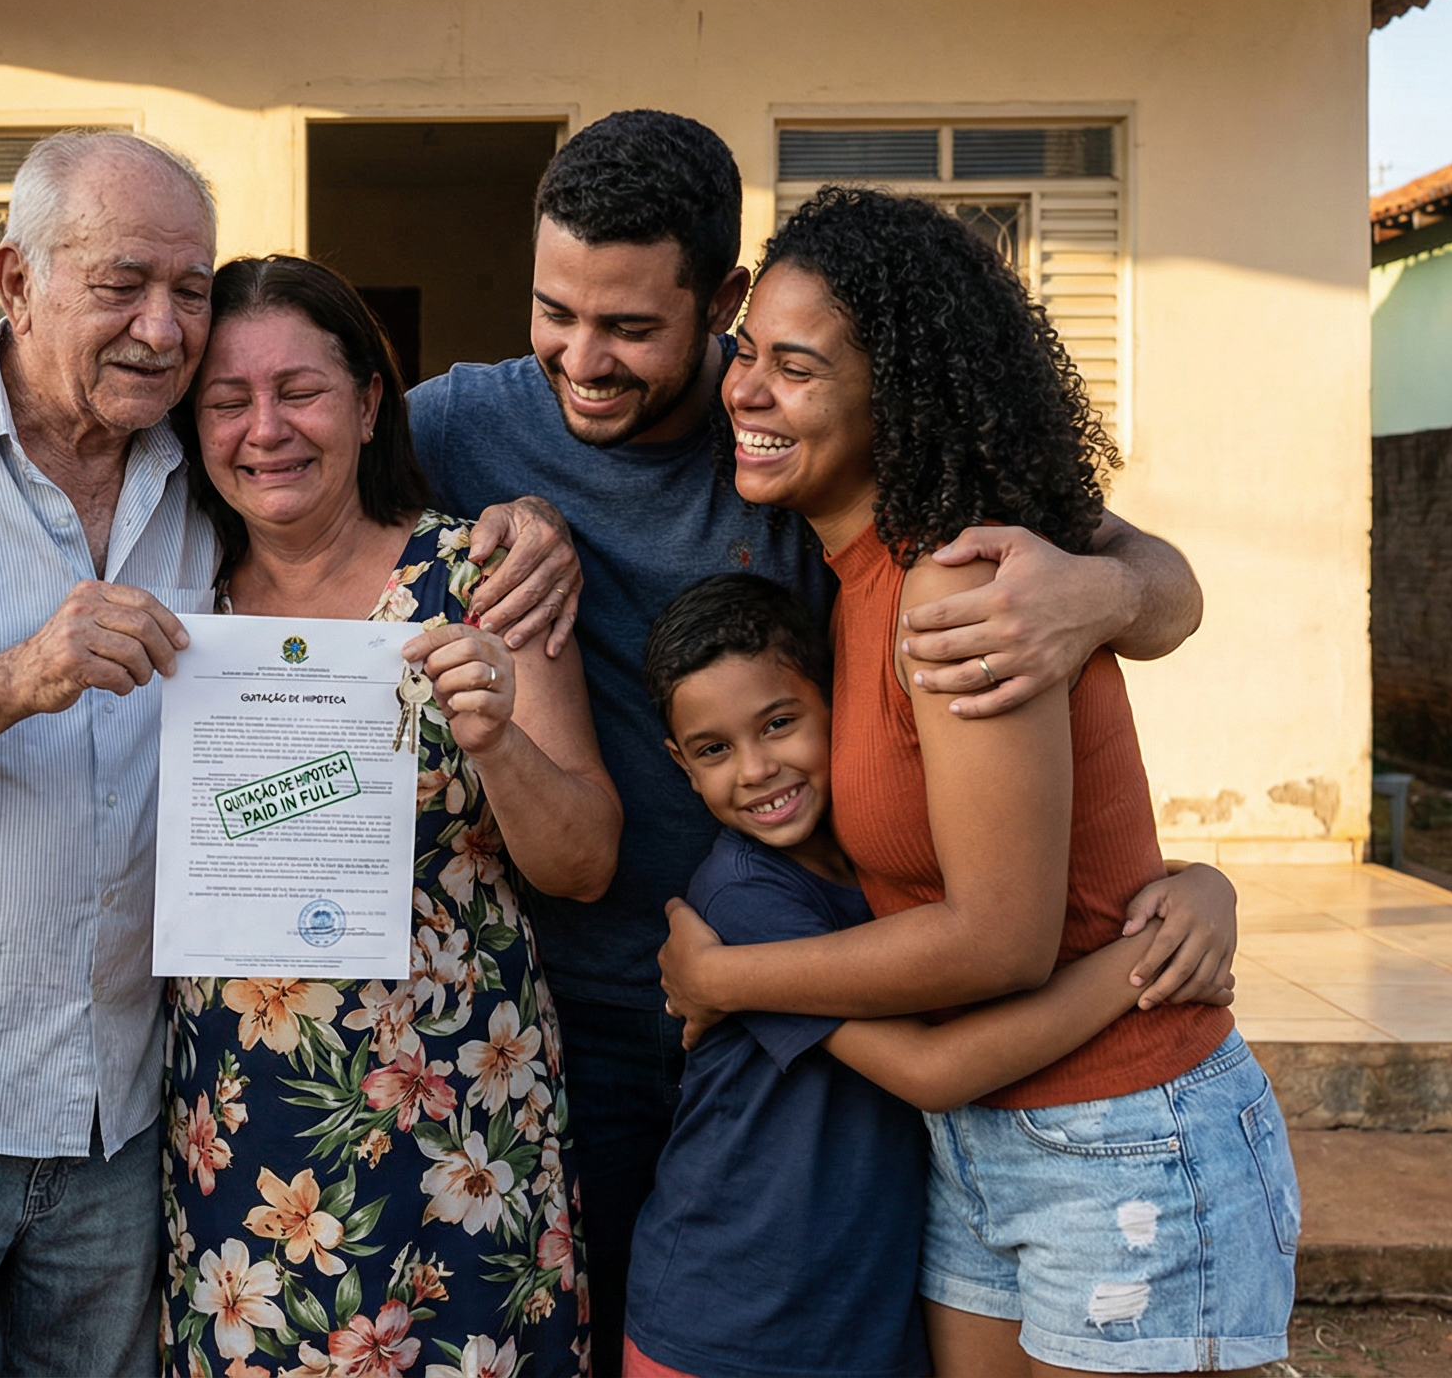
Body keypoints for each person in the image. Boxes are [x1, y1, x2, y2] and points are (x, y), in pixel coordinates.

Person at [0, 134, 581, 1375]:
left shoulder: (196, 483)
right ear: (13, 278)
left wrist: (538, 522)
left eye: (188, 290)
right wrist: (14, 679)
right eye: (122, 282)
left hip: (134, 1116)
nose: (161, 327)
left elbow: (359, 497)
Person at [402, 110, 1213, 1376]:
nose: (581, 358)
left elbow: (1139, 573)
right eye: (554, 311)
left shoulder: (813, 424)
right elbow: (274, 467)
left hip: (833, 998)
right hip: (584, 1012)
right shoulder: (463, 429)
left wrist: (1105, 596)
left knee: (822, 1335)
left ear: (717, 300)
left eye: (629, 327)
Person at [657, 188, 1298, 1375]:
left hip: (1121, 1133)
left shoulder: (958, 585)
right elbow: (1151, 581)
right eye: (746, 351)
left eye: (795, 369)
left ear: (892, 397)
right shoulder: (844, 560)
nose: (744, 389)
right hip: (976, 1135)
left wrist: (729, 976)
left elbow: (999, 940)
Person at [161, 256, 615, 1378]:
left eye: (299, 391)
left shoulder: (482, 573)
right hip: (241, 1118)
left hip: (460, 1109)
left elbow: (584, 862)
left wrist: (497, 738)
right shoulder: (170, 588)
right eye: (227, 400)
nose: (264, 428)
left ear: (369, 403)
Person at [625, 574, 1236, 1378]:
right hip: (731, 1314)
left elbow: (1028, 871)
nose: (756, 769)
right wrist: (1143, 961)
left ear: (836, 705)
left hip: (868, 1306)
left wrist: (1202, 885)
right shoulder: (743, 898)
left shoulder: (885, 845)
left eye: (780, 724)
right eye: (714, 750)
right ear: (680, 761)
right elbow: (931, 1069)